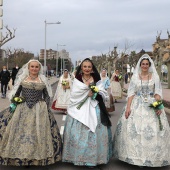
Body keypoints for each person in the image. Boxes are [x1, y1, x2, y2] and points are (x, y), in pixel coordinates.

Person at [0, 60, 62, 166]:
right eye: (32, 66)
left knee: (39, 132)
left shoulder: (43, 80)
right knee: (19, 131)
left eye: (36, 67)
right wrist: (16, 100)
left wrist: (45, 107)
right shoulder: (23, 79)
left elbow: (47, 96)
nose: (34, 68)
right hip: (22, 108)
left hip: (39, 108)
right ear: (28, 68)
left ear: (39, 68)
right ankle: (20, 157)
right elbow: (16, 93)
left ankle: (36, 158)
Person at [113, 54, 170, 167]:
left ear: (149, 65)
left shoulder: (154, 77)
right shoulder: (135, 77)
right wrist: (128, 107)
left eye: (146, 64)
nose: (145, 66)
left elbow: (158, 92)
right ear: (140, 65)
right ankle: (136, 157)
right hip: (137, 104)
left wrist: (158, 106)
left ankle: (152, 158)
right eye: (143, 64)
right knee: (134, 130)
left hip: (151, 103)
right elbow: (131, 93)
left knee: (153, 131)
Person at [62, 58, 112, 168]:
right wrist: (86, 94)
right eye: (85, 66)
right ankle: (78, 157)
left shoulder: (97, 78)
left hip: (94, 106)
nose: (87, 69)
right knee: (78, 133)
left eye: (89, 67)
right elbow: (74, 94)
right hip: (79, 108)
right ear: (81, 68)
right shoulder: (78, 79)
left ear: (92, 68)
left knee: (94, 130)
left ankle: (93, 158)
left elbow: (103, 93)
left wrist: (94, 93)